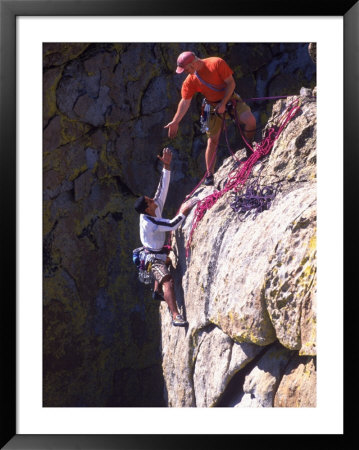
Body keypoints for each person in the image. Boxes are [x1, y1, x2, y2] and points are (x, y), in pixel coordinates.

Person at [164, 51, 257, 186]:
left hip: (229, 99)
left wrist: (224, 103)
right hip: (210, 106)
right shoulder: (191, 80)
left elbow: (231, 84)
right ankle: (209, 174)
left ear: (194, 63)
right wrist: (175, 121)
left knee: (250, 120)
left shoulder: (216, 63)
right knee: (212, 140)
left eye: (186, 69)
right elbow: (185, 101)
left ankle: (249, 145)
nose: (185, 72)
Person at [134, 147, 197, 327]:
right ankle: (176, 315)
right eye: (150, 201)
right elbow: (171, 225)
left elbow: (162, 188)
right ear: (147, 208)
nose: (154, 200)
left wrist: (167, 166)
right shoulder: (150, 222)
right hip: (153, 259)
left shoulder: (153, 208)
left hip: (157, 252)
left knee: (165, 264)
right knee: (167, 280)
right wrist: (184, 211)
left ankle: (156, 291)